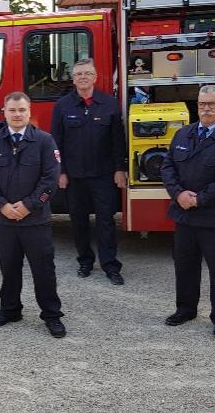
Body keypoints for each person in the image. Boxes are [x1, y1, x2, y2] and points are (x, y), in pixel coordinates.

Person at [160, 85, 215, 340]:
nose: (207, 108)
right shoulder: (184, 134)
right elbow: (168, 167)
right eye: (202, 104)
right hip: (184, 215)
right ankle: (185, 309)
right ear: (197, 106)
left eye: (212, 103)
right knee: (185, 266)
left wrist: (199, 199)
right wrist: (178, 194)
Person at [0, 92, 66, 338]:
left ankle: (51, 315)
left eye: (21, 110)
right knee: (9, 268)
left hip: (35, 221)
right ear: (4, 113)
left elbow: (50, 180)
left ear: (29, 112)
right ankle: (10, 309)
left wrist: (29, 205)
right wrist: (2, 205)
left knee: (43, 271)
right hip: (3, 220)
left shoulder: (45, 141)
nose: (17, 115)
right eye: (12, 110)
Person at [50, 58, 128, 285]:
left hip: (103, 175)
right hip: (74, 176)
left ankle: (110, 266)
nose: (83, 77)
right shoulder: (62, 106)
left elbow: (117, 141)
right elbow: (56, 143)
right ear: (73, 79)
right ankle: (85, 261)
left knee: (105, 221)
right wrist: (60, 172)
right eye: (78, 74)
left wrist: (120, 169)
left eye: (87, 73)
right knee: (78, 221)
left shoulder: (110, 103)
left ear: (95, 77)